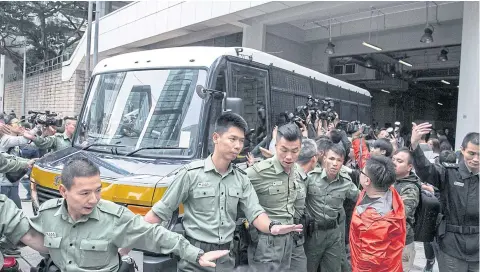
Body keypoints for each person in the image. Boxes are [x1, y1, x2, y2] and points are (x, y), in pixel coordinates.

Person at [141, 113, 301, 272]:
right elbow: (159, 213)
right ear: (216, 137)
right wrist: (126, 242)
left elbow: (255, 212)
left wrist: (272, 226)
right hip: (194, 258)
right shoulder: (191, 174)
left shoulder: (241, 178)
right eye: (233, 139)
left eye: (241, 140)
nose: (238, 146)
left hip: (226, 258)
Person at [29, 157, 230, 271]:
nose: (94, 199)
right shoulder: (48, 214)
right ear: (64, 191)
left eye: (98, 190)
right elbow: (24, 234)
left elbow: (154, 234)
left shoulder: (114, 217)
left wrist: (197, 254)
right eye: (84, 193)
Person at [411, 123, 479, 272]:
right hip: (451, 245)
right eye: (471, 153)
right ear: (462, 150)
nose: (476, 159)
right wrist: (415, 145)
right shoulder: (449, 173)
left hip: (477, 247)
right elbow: (426, 170)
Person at [245, 123, 304, 270]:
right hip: (265, 243)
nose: (289, 156)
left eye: (295, 151)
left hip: (288, 241)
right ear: (275, 146)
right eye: (283, 150)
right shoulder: (258, 172)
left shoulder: (296, 170)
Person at [304, 143, 359, 272]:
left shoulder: (346, 182)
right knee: (309, 268)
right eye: (331, 159)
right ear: (324, 159)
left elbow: (360, 199)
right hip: (313, 234)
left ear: (343, 163)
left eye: (339, 160)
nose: (335, 163)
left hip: (334, 234)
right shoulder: (311, 177)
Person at [350, 155, 406, 271]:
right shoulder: (391, 193)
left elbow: (368, 263)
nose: (359, 173)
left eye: (362, 172)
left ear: (367, 180)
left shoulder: (373, 221)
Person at [290, 138, 318, 272]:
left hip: (295, 239)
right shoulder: (294, 178)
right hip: (287, 239)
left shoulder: (301, 176)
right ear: (314, 159)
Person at [391, 148, 420, 271]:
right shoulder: (392, 181)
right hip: (387, 238)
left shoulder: (410, 187)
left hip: (402, 242)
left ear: (409, 167)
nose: (394, 163)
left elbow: (401, 213)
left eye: (399, 161)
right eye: (393, 159)